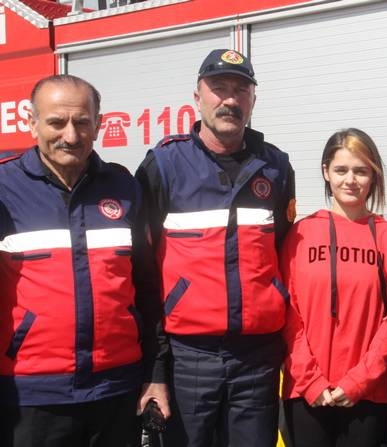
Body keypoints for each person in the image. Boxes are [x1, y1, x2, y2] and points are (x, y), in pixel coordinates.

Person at [135, 48, 296, 447]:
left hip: (257, 357)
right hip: (189, 356)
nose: (229, 99)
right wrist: (155, 368)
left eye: (241, 90)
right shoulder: (164, 166)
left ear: (253, 100)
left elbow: (280, 252)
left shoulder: (275, 167)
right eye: (218, 88)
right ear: (197, 95)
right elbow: (142, 273)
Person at [0, 74, 162, 446]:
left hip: (116, 388)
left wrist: (155, 371)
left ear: (99, 124)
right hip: (30, 394)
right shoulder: (4, 189)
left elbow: (148, 287)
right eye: (56, 122)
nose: (71, 136)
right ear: (31, 122)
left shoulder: (124, 188)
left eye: (82, 122)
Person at [280, 128, 387, 447]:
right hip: (306, 393)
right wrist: (309, 380)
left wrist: (360, 381)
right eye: (341, 170)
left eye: (361, 171)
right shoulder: (301, 234)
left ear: (373, 175)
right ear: (326, 172)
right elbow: (287, 312)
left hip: (366, 395)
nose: (350, 180)